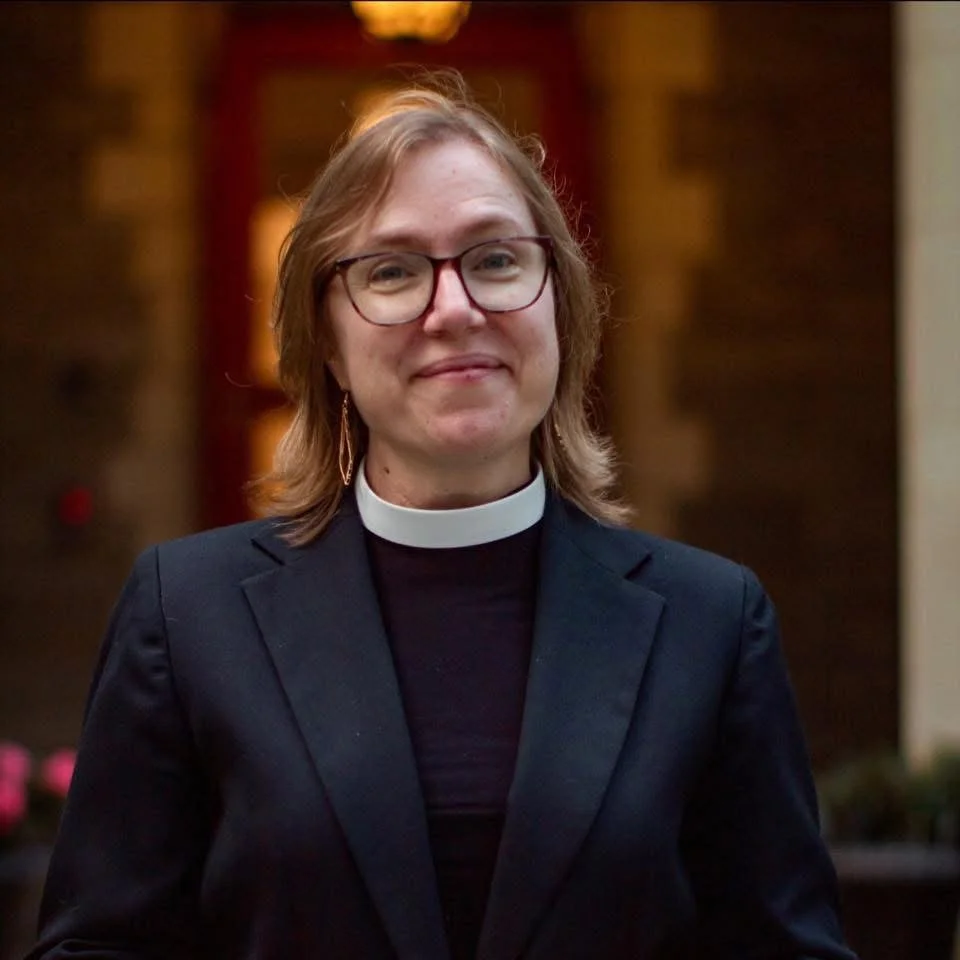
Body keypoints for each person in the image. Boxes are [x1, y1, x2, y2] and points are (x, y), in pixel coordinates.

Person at [28, 76, 857, 960]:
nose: (454, 309)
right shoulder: (188, 615)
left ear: (559, 306)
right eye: (392, 271)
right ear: (328, 343)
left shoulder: (711, 623)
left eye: (496, 260)